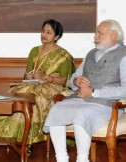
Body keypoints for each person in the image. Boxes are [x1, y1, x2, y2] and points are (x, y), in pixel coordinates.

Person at [43, 19, 126, 162]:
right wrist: (77, 81)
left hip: (107, 104)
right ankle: (61, 158)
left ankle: (82, 159)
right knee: (56, 109)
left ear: (113, 35)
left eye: (99, 33)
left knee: (82, 114)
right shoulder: (91, 53)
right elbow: (72, 80)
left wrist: (93, 92)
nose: (95, 37)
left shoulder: (124, 55)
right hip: (79, 99)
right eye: (95, 33)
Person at [0, 19, 75, 145]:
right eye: (43, 31)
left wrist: (45, 77)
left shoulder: (63, 55)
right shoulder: (34, 51)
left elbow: (64, 81)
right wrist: (29, 76)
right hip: (32, 84)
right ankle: (10, 132)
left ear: (57, 36)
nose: (44, 34)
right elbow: (27, 74)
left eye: (49, 32)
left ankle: (27, 136)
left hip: (53, 87)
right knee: (16, 93)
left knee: (36, 97)